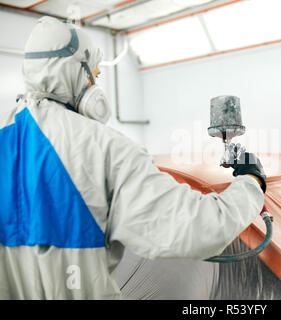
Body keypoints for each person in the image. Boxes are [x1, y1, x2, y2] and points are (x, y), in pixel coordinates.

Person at [0, 17, 266, 299]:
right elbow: (199, 227)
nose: (96, 81)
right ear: (76, 72)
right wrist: (251, 182)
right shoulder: (105, 150)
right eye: (95, 74)